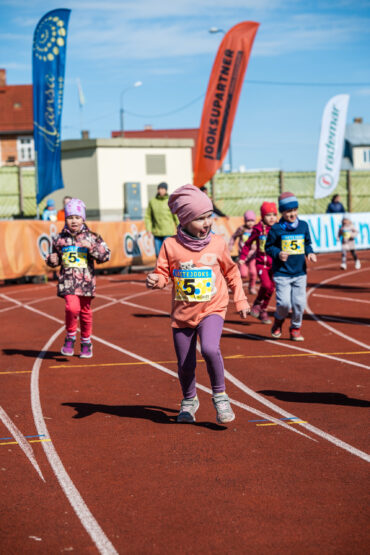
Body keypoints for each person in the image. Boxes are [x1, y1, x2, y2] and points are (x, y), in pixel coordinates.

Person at [146, 184, 250, 424]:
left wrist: (241, 299)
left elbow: (232, 272)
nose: (207, 223)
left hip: (212, 307)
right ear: (184, 220)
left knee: (211, 349)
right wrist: (156, 280)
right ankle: (189, 399)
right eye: (200, 219)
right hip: (183, 313)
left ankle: (220, 395)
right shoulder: (171, 245)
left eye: (209, 217)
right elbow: (163, 274)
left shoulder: (218, 244)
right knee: (185, 363)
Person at [46, 198, 110, 358]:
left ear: (83, 218)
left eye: (77, 217)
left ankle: (86, 341)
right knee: (72, 308)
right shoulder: (59, 239)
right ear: (65, 218)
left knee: (86, 312)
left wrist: (92, 248)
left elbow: (105, 256)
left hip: (86, 282)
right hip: (68, 281)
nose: (73, 221)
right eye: (70, 217)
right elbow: (55, 257)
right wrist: (52, 260)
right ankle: (70, 336)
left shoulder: (92, 237)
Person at [265, 192, 317, 341]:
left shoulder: (303, 226)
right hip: (282, 272)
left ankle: (295, 327)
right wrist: (278, 253)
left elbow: (307, 243)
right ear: (282, 212)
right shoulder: (276, 229)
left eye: (295, 210)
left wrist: (310, 253)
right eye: (288, 211)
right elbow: (269, 247)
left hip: (300, 272)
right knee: (284, 304)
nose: (292, 214)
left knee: (300, 303)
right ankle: (278, 321)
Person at [239, 202, 278, 324]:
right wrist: (243, 257)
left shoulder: (278, 228)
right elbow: (248, 243)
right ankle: (257, 303)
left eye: (274, 215)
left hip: (274, 264)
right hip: (261, 263)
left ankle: (263, 310)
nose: (272, 218)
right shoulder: (258, 229)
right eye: (268, 215)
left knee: (271, 288)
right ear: (262, 216)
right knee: (266, 285)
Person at [145, 182, 178, 257]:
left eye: (163, 189)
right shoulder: (152, 201)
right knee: (158, 254)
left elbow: (175, 216)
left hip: (168, 232)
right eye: (159, 189)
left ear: (166, 190)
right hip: (157, 232)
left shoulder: (170, 201)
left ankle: (168, 268)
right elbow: (148, 216)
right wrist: (148, 229)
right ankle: (159, 268)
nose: (161, 190)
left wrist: (180, 227)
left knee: (167, 253)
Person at [228, 210, 257, 294]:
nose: (250, 223)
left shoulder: (256, 230)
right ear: (245, 221)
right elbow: (233, 237)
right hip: (242, 256)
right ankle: (233, 284)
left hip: (253, 256)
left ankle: (252, 287)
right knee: (243, 274)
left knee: (253, 272)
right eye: (248, 221)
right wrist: (230, 246)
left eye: (252, 221)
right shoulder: (241, 229)